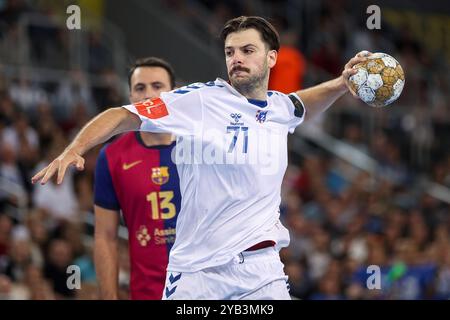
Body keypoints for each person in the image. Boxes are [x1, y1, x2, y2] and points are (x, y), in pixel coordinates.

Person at [32, 16, 370, 299]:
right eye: (230, 51)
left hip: (262, 270)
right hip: (198, 275)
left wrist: (340, 84)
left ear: (271, 58)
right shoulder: (199, 100)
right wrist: (74, 148)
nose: (236, 57)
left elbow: (301, 105)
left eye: (247, 50)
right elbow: (121, 115)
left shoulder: (279, 107)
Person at [93, 57, 180, 299]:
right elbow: (105, 236)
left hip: (207, 292)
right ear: (130, 98)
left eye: (157, 86)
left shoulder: (202, 147)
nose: (148, 95)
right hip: (146, 292)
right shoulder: (112, 157)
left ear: (174, 94)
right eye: (140, 88)